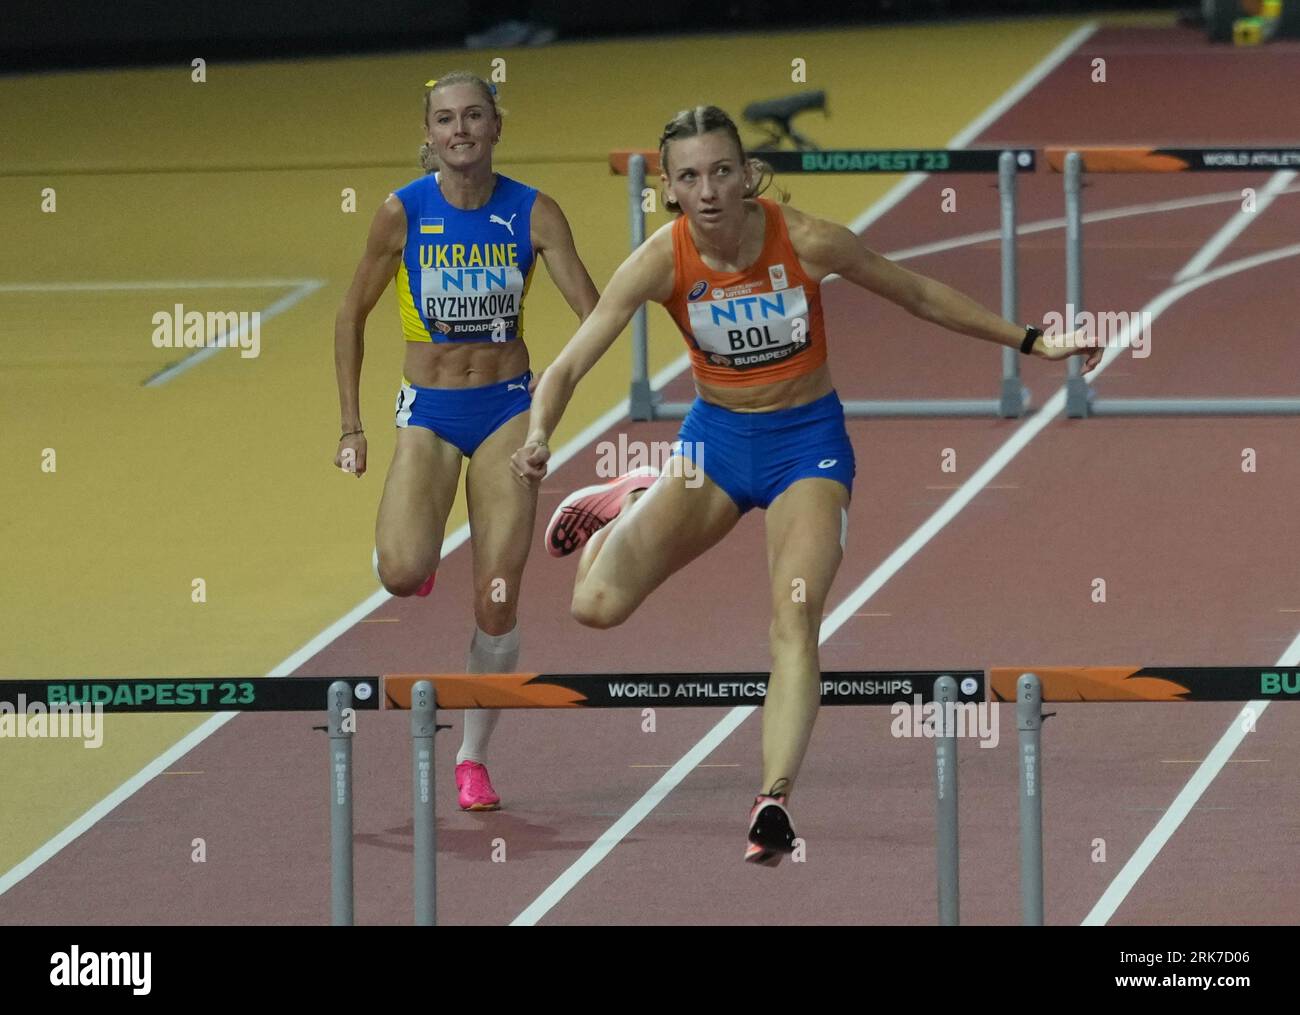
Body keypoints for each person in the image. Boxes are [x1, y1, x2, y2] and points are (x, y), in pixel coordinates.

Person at [511, 105, 1099, 864]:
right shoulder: (662, 260)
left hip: (806, 450)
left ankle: (773, 800)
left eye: (722, 170)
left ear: (746, 172)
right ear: (670, 188)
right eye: (690, 176)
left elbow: (916, 292)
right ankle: (630, 497)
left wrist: (1031, 339)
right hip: (712, 448)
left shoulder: (808, 240)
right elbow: (566, 364)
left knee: (794, 619)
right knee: (594, 606)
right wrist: (537, 433)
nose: (710, 189)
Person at [333, 72, 599, 811]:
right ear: (429, 134)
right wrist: (353, 426)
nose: (461, 130)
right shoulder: (401, 214)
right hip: (429, 412)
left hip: (506, 408)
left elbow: (595, 317)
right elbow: (350, 316)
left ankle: (472, 757)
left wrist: (547, 416)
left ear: (496, 126)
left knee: (497, 595)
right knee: (398, 570)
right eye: (446, 119)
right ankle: (412, 554)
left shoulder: (534, 212)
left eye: (474, 116)